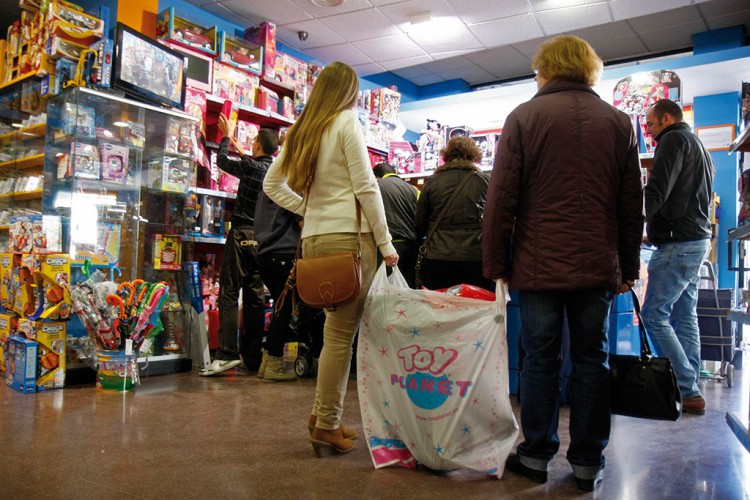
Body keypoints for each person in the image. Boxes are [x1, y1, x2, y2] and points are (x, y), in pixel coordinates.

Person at [482, 35, 644, 491]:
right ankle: (589, 461)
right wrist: (627, 267)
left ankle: (536, 454)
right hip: (598, 264)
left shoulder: (524, 117)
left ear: (546, 69)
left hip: (537, 264)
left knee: (539, 359)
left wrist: (495, 263)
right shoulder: (618, 123)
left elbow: (501, 200)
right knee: (593, 359)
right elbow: (632, 204)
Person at [263, 61, 398, 456]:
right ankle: (326, 423)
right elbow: (367, 187)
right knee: (340, 336)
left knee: (331, 334)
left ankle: (324, 416)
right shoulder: (345, 122)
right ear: (348, 93)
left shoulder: (304, 129)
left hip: (316, 241)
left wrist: (306, 207)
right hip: (351, 240)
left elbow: (273, 184)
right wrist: (386, 242)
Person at [641, 98, 715, 415]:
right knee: (684, 316)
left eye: (651, 124)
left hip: (677, 243)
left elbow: (658, 189)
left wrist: (638, 222)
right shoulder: (699, 146)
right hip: (697, 240)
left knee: (654, 316)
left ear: (667, 119)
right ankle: (692, 383)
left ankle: (686, 388)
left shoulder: (672, 140)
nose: (649, 130)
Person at [200, 119, 278, 376]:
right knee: (256, 297)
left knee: (230, 292)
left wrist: (226, 136)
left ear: (257, 145)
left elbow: (221, 161)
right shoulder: (276, 171)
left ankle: (226, 353)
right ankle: (252, 357)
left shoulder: (252, 167)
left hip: (242, 232)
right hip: (264, 238)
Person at [415, 136, 492, 291]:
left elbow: (419, 224)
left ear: (447, 155)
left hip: (437, 257)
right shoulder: (485, 181)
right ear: (473, 156)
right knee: (473, 309)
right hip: (474, 258)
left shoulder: (433, 181)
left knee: (438, 309)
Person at [254, 143, 302, 382]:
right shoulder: (291, 184)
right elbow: (302, 218)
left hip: (265, 253)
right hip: (284, 253)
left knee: (278, 308)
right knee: (284, 310)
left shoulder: (269, 183)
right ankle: (274, 362)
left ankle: (266, 361)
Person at [372, 162, 419, 287]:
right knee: (408, 288)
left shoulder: (375, 186)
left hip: (387, 247)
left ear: (376, 176)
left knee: (385, 290)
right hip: (411, 247)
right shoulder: (414, 190)